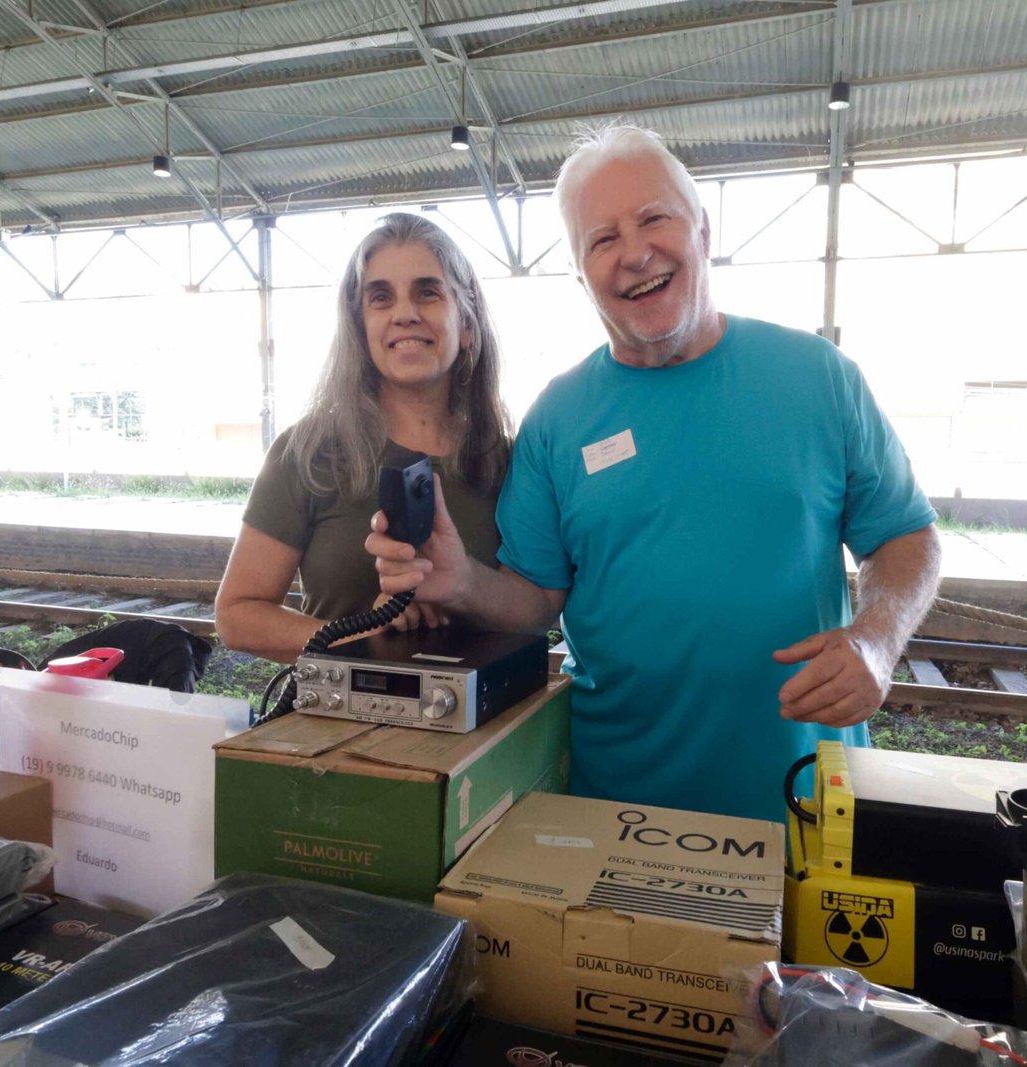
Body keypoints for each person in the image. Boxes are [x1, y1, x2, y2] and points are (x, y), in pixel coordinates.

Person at [367, 126, 941, 823]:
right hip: (613, 808)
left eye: (654, 219)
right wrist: (459, 581)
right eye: (602, 239)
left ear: (703, 230)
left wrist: (877, 640)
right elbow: (537, 597)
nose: (635, 253)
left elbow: (906, 535)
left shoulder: (817, 377)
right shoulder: (557, 418)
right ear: (580, 273)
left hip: (805, 802)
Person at [216, 212, 512, 662]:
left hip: (488, 710)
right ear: (360, 329)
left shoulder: (508, 463)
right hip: (337, 710)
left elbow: (536, 609)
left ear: (467, 324)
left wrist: (466, 588)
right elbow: (237, 616)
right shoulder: (308, 453)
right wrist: (360, 635)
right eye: (380, 298)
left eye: (427, 292)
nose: (405, 315)